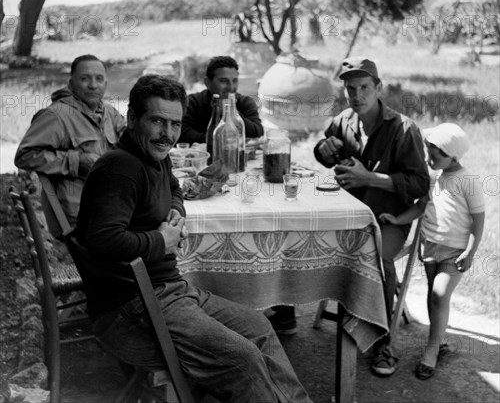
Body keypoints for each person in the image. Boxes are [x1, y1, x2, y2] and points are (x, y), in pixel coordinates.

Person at [76, 75, 313, 403]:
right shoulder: (121, 170)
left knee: (259, 327)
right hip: (131, 310)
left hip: (170, 291)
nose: (168, 134)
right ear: (132, 119)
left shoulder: (153, 157)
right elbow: (102, 240)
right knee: (242, 358)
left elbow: (173, 186)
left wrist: (175, 212)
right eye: (157, 121)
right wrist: (161, 241)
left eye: (174, 124)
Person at [313, 57, 430, 377]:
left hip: (387, 218)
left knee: (378, 260)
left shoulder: (403, 128)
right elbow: (325, 151)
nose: (356, 95)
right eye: (350, 88)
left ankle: (383, 341)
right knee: (302, 237)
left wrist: (371, 180)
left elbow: (421, 184)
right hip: (348, 216)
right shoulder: (343, 121)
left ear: (378, 88)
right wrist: (322, 149)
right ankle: (289, 315)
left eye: (364, 87)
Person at [383, 123, 485, 380]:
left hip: (455, 250)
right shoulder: (433, 176)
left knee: (440, 295)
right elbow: (421, 207)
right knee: (432, 294)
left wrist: (471, 252)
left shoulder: (467, 181)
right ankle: (438, 340)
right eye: (428, 153)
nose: (429, 159)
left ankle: (431, 351)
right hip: (430, 246)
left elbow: (478, 220)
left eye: (435, 155)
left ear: (453, 155)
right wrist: (397, 220)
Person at [15, 54, 126, 225]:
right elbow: (25, 155)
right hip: (81, 217)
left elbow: (129, 138)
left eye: (99, 79)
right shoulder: (57, 115)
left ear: (106, 84)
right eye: (84, 79)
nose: (93, 85)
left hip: (112, 205)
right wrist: (76, 161)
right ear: (71, 82)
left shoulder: (109, 113)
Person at [178, 55, 263, 144]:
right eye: (223, 81)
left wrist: (232, 113)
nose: (231, 87)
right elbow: (181, 133)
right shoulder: (193, 102)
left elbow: (258, 132)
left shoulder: (245, 102)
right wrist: (218, 140)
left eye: (234, 81)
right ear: (207, 83)